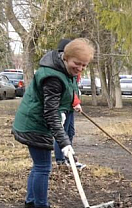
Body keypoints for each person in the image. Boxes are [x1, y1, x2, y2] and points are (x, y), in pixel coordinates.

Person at [12, 38, 94, 208]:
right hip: (35, 124)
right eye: (77, 63)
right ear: (66, 57)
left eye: (84, 65)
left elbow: (64, 97)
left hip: (37, 122)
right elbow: (50, 114)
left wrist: (66, 109)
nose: (80, 68)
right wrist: (64, 142)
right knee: (42, 167)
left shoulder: (64, 70)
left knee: (38, 166)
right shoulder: (53, 77)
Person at [53, 39, 85, 170]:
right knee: (62, 134)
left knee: (70, 132)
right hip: (62, 108)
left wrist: (76, 102)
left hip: (70, 107)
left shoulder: (73, 70)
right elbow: (66, 90)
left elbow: (73, 87)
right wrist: (75, 102)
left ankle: (69, 158)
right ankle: (61, 160)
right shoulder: (59, 71)